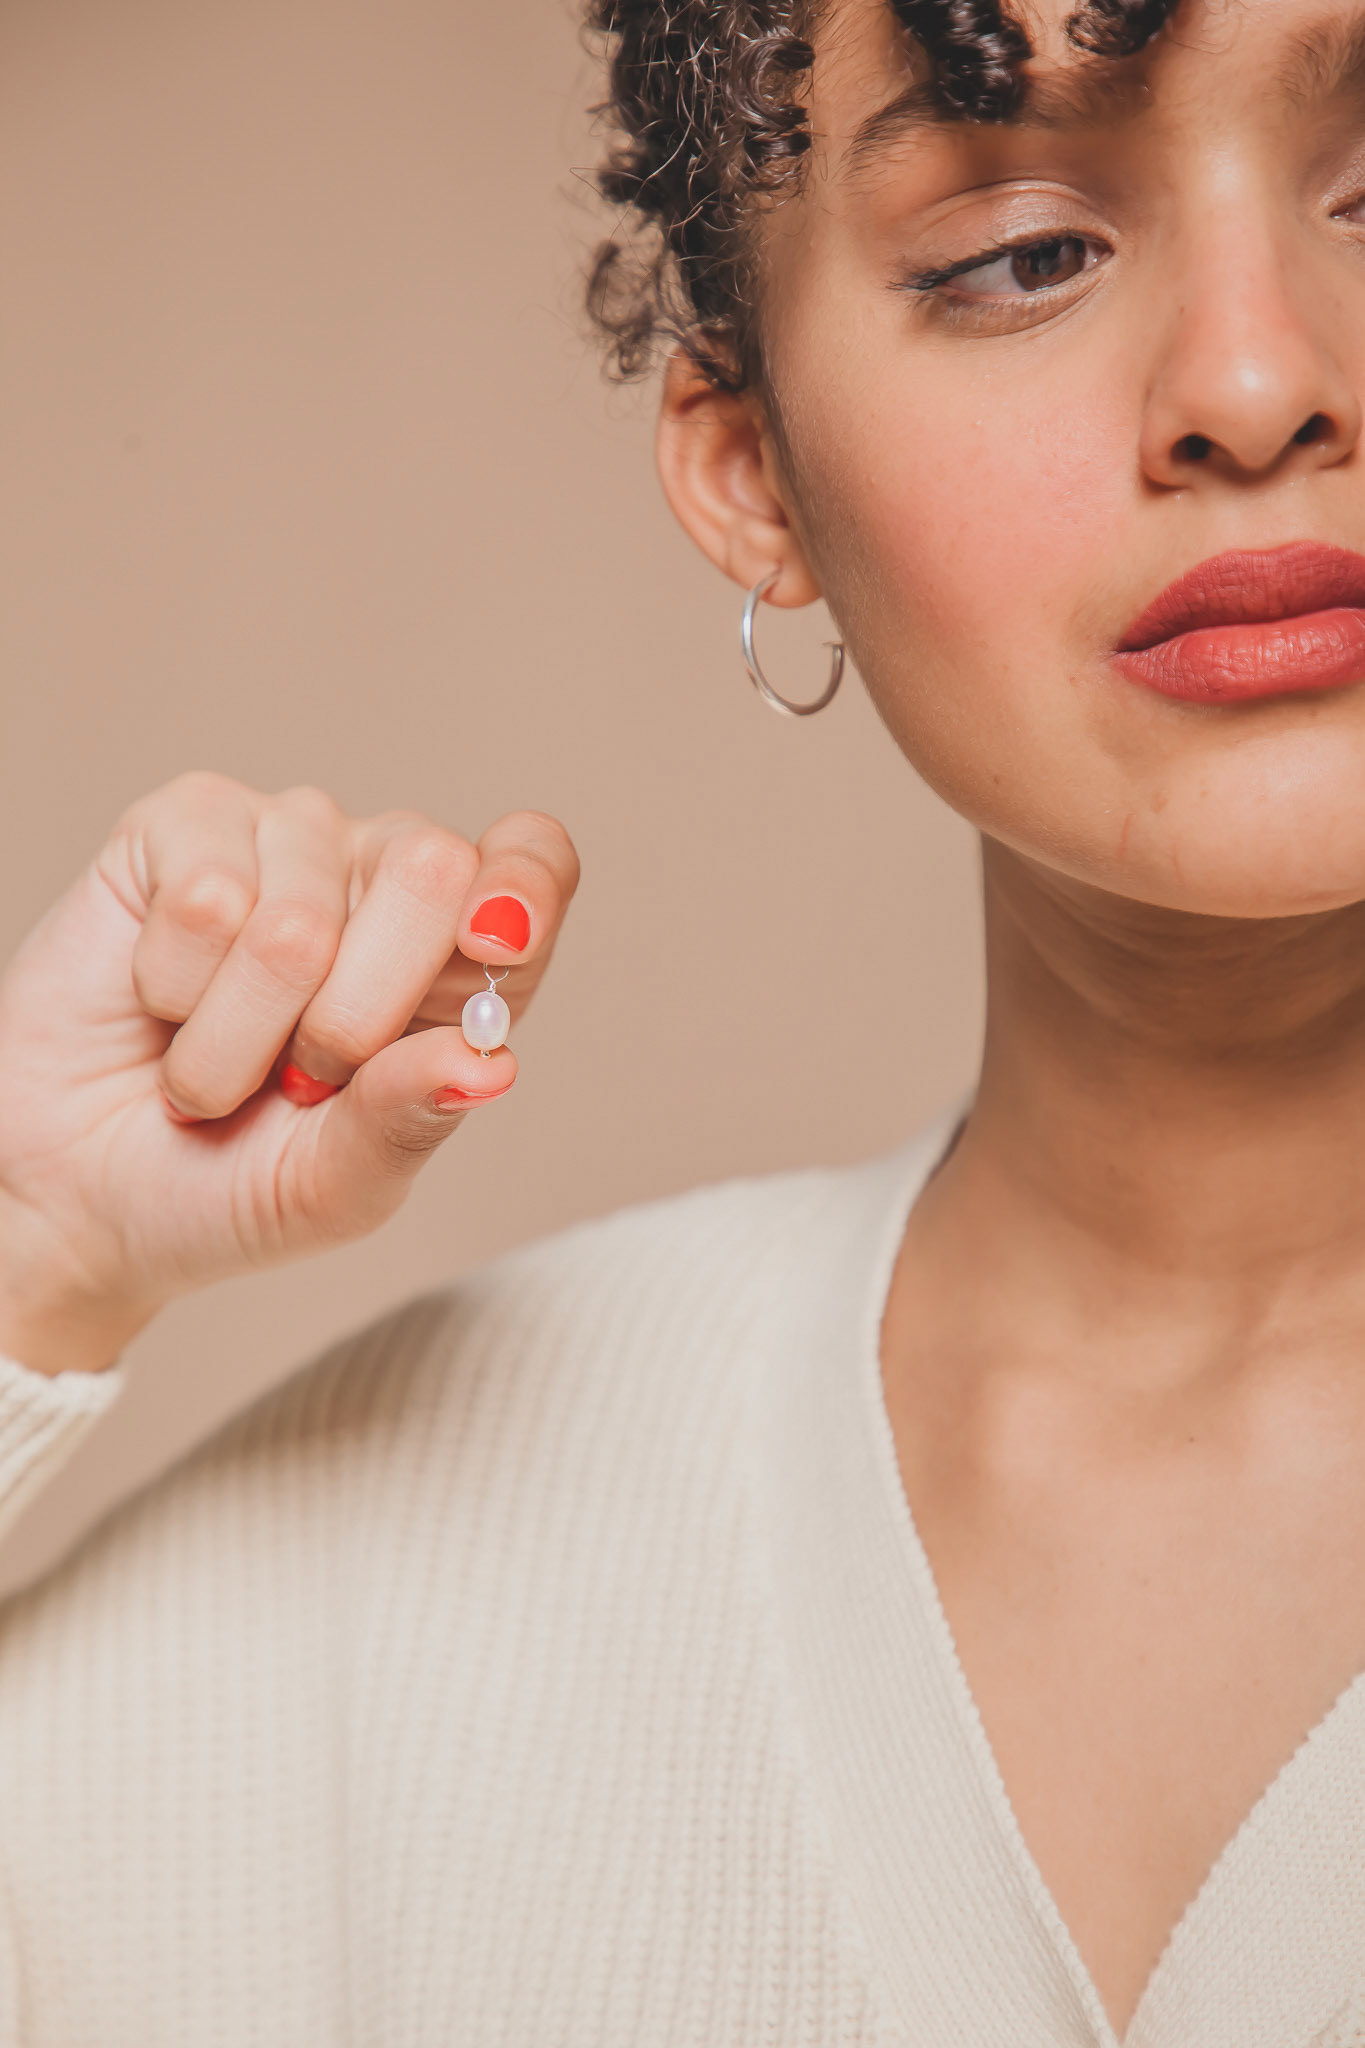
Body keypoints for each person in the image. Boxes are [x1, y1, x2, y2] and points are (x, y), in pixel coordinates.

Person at [0, 0, 1362, 2039]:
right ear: (754, 477)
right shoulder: (349, 1615)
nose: (1254, 385)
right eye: (1021, 255)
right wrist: (22, 1255)